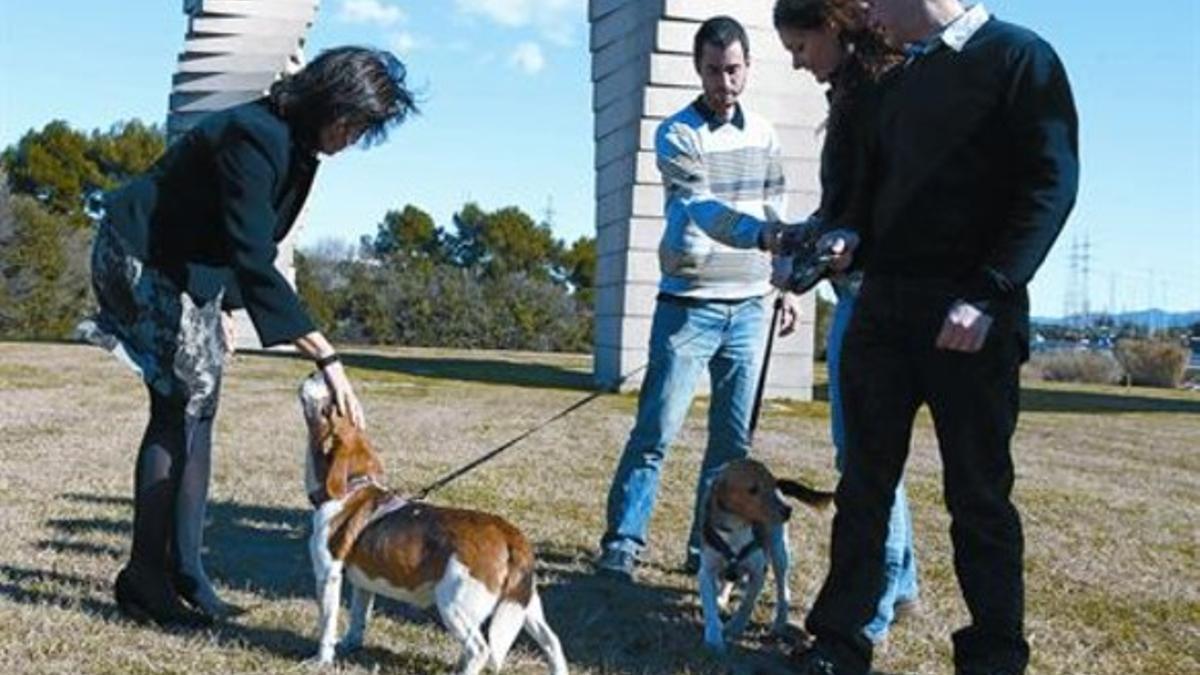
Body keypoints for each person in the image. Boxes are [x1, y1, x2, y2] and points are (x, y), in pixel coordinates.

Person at [77, 46, 417, 627]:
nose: (356, 138)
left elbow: (246, 234)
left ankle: (188, 571)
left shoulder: (299, 147)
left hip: (191, 266)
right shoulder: (254, 135)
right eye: (356, 124)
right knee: (175, 406)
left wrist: (225, 307)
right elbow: (255, 256)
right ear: (332, 105)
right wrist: (327, 358)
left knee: (199, 409)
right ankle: (144, 579)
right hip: (139, 254)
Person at [789, 2, 1079, 674]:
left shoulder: (1019, 59)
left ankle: (993, 655)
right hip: (884, 314)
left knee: (978, 497)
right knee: (863, 487)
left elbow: (1051, 185)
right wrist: (849, 232)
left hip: (972, 321)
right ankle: (838, 643)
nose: (865, 12)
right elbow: (872, 190)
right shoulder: (897, 77)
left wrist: (989, 290)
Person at [594, 15, 801, 582]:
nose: (724, 82)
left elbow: (775, 208)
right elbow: (703, 209)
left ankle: (704, 549)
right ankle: (623, 542)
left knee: (731, 447)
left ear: (748, 68)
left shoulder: (763, 134)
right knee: (656, 432)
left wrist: (784, 282)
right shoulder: (677, 134)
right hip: (689, 304)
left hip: (749, 306)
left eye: (733, 69)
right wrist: (759, 236)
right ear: (698, 69)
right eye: (713, 71)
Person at [772, 0, 918, 649]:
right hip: (864, 292)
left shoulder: (877, 94)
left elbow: (873, 208)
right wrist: (809, 240)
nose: (798, 64)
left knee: (863, 462)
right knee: (868, 455)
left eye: (800, 48)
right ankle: (899, 582)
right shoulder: (860, 89)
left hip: (876, 300)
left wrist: (823, 252)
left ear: (829, 25)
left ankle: (871, 611)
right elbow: (847, 207)